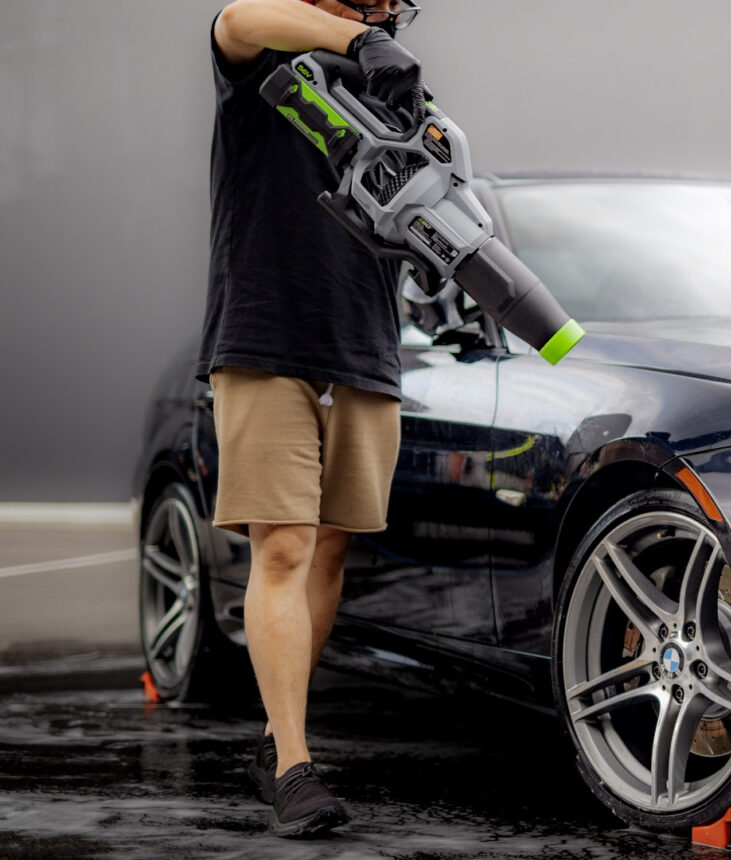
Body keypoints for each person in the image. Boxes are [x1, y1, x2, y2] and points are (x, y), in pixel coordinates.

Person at [197, 0, 424, 839]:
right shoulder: (256, 62)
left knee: (329, 547)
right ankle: (295, 766)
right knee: (285, 545)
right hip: (265, 331)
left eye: (392, 9)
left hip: (364, 340)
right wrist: (357, 41)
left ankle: (274, 734)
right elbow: (238, 16)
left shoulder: (399, 93)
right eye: (371, 6)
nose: (386, 14)